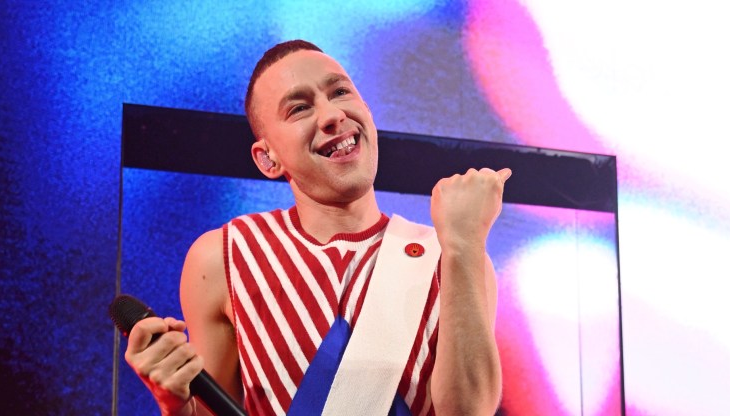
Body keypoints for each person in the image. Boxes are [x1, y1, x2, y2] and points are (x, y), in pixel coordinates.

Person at [124, 40, 509, 416]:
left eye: (340, 92)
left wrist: (463, 245)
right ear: (267, 158)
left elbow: (468, 411)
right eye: (299, 108)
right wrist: (174, 405)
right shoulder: (224, 257)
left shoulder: (449, 257)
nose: (331, 115)